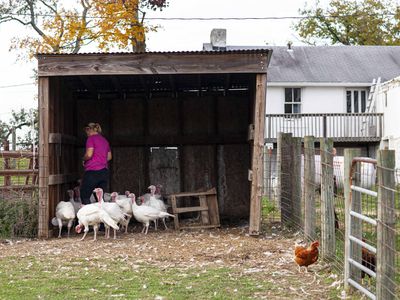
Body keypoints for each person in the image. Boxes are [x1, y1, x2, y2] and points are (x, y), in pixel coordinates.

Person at [80, 122, 112, 205]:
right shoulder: (105, 140)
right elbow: (109, 157)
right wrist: (100, 160)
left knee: (85, 196)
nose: (86, 134)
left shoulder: (91, 139)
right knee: (100, 198)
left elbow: (89, 154)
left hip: (92, 172)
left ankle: (88, 217)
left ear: (89, 129)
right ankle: (101, 216)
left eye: (86, 131)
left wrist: (83, 159)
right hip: (104, 172)